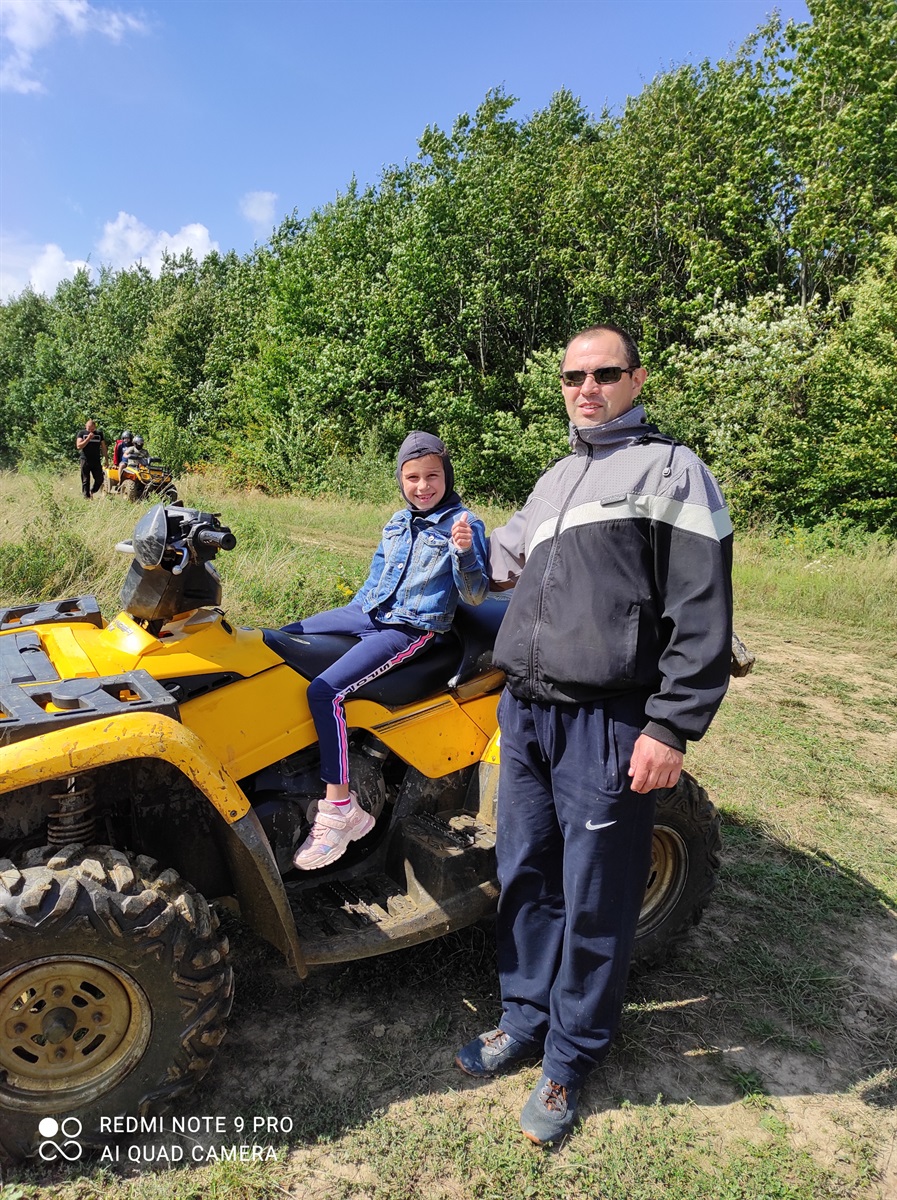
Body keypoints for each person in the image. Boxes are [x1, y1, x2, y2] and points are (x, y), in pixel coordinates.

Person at [454, 323, 733, 1145]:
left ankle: (570, 1058)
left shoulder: (671, 471)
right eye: (573, 376)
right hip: (526, 712)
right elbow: (499, 568)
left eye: (604, 374)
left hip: (608, 720)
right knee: (524, 872)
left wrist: (669, 726)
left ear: (636, 380)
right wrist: (463, 546)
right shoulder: (556, 476)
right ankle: (523, 1017)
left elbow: (701, 612)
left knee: (596, 894)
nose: (586, 388)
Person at [284, 431, 489, 871]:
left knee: (326, 691)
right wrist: (350, 621)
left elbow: (474, 594)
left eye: (432, 476)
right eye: (412, 478)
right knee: (281, 640)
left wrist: (464, 553)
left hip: (412, 627)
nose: (422, 486)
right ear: (401, 480)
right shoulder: (397, 521)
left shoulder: (464, 524)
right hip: (370, 613)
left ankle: (340, 808)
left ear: (447, 477)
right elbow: (373, 584)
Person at [75, 419, 108, 499]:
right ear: (86, 427)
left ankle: (92, 491)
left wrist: (106, 459)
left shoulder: (99, 434)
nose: (90, 431)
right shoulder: (81, 433)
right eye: (89, 429)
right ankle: (87, 497)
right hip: (85, 459)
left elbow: (103, 447)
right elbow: (79, 446)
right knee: (85, 480)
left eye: (92, 429)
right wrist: (88, 438)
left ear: (95, 427)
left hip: (96, 460)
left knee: (100, 479)